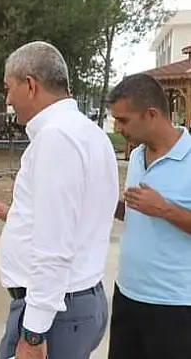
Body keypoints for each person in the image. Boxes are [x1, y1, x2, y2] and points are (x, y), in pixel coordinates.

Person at [0, 41, 119, 359]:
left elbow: (54, 248)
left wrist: (33, 334)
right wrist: (18, 217)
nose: (7, 99)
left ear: (30, 85)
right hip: (74, 302)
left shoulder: (56, 138)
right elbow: (79, 216)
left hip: (55, 313)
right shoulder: (90, 133)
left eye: (8, 88)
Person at [106, 73, 191, 359]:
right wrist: (105, 202)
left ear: (151, 114)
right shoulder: (138, 155)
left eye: (124, 120)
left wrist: (163, 209)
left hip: (175, 307)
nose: (118, 128)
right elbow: (135, 213)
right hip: (127, 295)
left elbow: (154, 209)